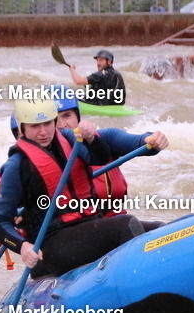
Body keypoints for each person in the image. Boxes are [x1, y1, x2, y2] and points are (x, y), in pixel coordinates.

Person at [0, 98, 144, 279]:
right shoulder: (16, 165)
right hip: (53, 246)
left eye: (47, 123)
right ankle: (140, 288)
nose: (43, 132)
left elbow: (100, 158)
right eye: (34, 126)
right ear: (22, 128)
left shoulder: (70, 139)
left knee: (157, 228)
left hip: (89, 226)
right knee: (125, 225)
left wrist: (91, 138)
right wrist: (22, 246)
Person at [48, 86, 167, 230]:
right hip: (77, 232)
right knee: (126, 225)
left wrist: (152, 140)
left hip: (117, 224)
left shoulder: (105, 138)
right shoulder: (41, 158)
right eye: (55, 119)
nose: (62, 125)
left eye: (67, 116)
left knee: (164, 228)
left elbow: (137, 142)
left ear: (77, 117)